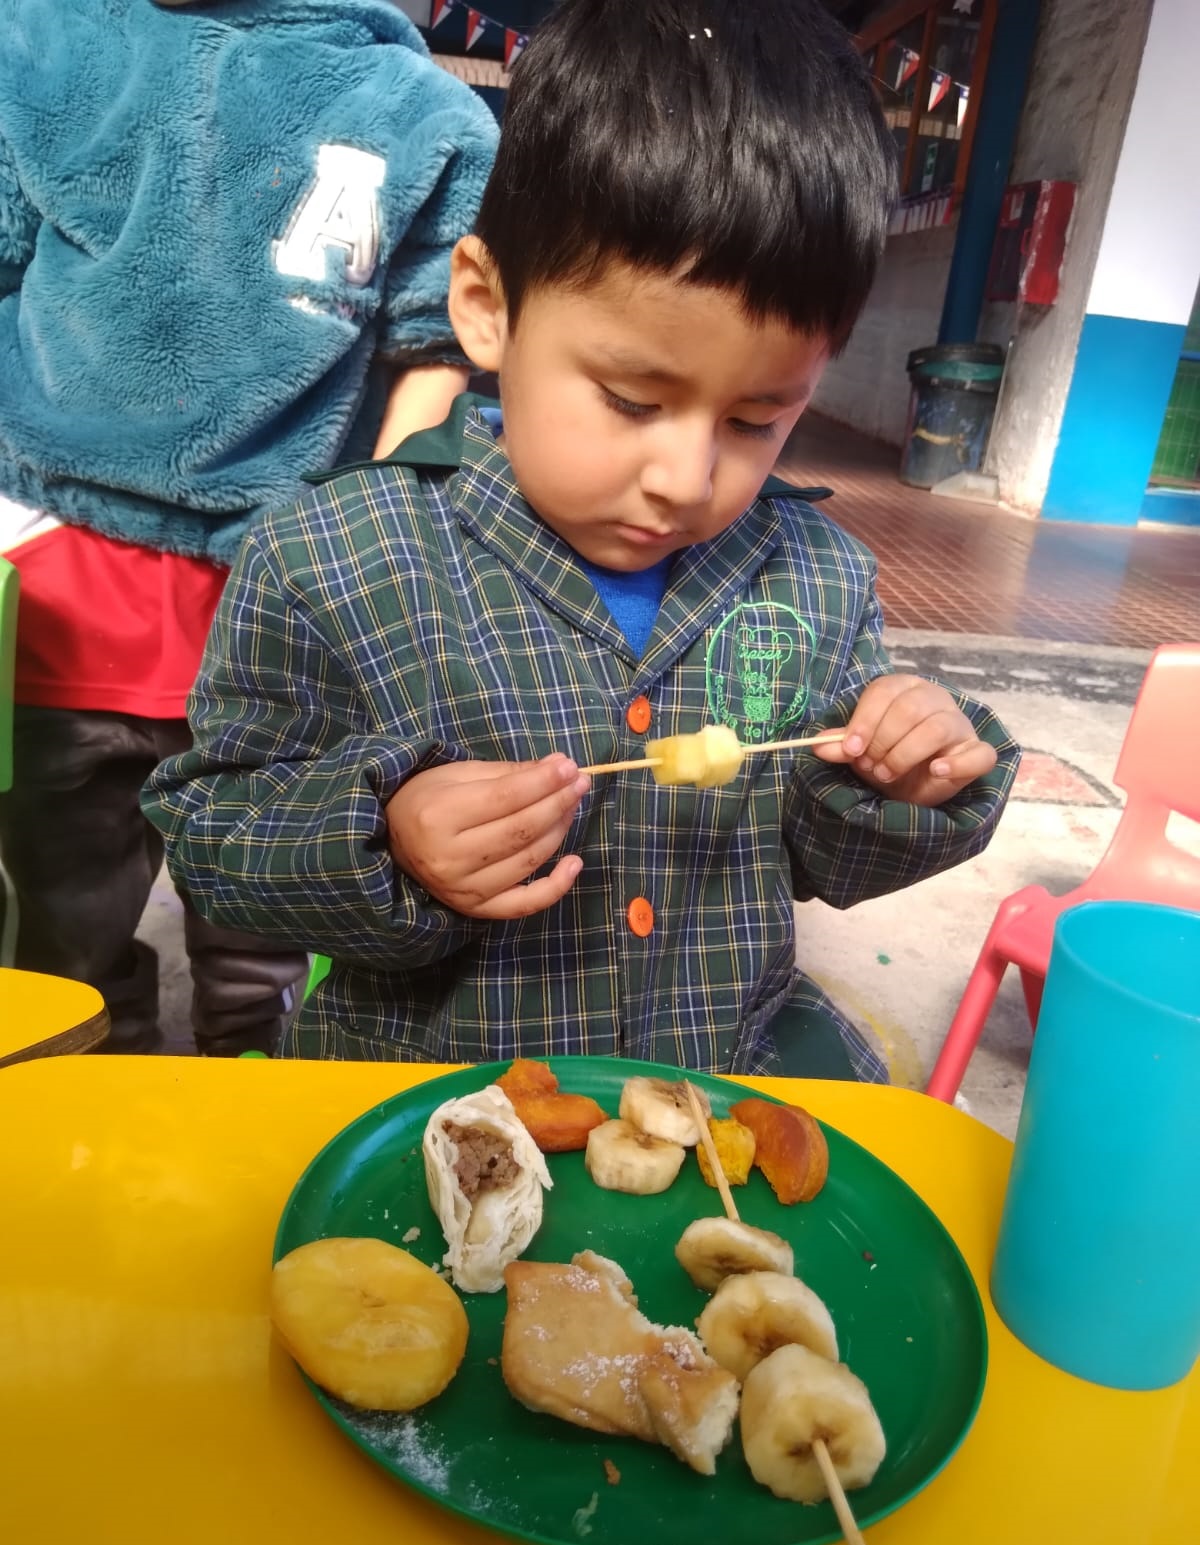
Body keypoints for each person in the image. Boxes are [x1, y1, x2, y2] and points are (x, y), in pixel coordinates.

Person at [145, 0, 1020, 1080]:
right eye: (632, 400)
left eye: (755, 420)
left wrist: (903, 775)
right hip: (435, 1105)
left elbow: (820, 854)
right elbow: (214, 839)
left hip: (710, 1097)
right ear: (487, 307)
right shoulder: (327, 558)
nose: (685, 479)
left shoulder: (818, 578)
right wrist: (387, 837)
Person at [0, 0, 497, 1054]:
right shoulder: (37, 42)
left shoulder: (425, 116)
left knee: (262, 932)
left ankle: (249, 1082)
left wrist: (375, 548)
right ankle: (94, 1090)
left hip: (271, 605)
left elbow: (439, 346)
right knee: (67, 927)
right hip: (57, 578)